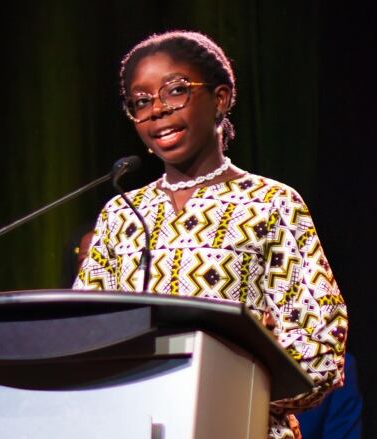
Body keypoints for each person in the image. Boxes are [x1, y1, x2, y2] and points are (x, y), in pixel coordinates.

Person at [72, 30, 348, 439]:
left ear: (220, 98)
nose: (157, 110)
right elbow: (81, 333)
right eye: (141, 101)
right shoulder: (121, 213)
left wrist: (244, 363)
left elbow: (321, 346)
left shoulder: (271, 203)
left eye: (176, 91)